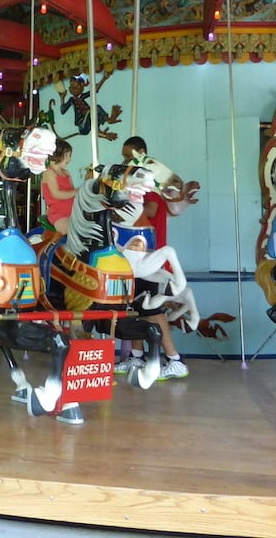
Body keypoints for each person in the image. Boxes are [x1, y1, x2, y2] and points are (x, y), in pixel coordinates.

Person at [114, 135, 189, 380]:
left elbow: (151, 210)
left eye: (128, 156)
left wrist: (116, 208)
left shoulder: (149, 185)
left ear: (141, 153)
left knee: (153, 313)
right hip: (136, 257)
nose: (125, 160)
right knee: (137, 308)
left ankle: (175, 359)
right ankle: (135, 357)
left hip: (149, 257)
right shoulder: (137, 184)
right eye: (124, 156)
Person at [41, 138, 77, 234]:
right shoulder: (49, 172)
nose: (69, 159)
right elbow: (56, 194)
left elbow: (73, 194)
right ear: (57, 154)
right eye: (66, 155)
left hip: (73, 212)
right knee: (72, 233)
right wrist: (77, 191)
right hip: (58, 214)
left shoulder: (66, 173)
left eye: (70, 155)